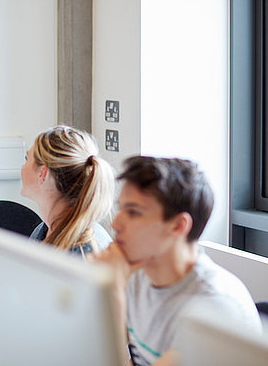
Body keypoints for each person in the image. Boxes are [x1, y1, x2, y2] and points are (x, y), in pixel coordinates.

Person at [93, 156, 262, 366]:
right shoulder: (139, 271)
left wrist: (113, 293)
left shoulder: (213, 307)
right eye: (121, 209)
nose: (115, 223)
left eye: (134, 212)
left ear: (178, 226)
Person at [20, 125, 115, 256]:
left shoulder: (85, 251)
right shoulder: (42, 232)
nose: (22, 167)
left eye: (27, 159)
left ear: (42, 173)